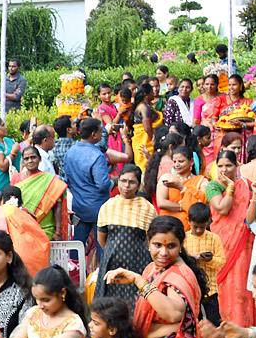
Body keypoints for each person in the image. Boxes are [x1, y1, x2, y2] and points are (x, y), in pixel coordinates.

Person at [207, 149, 256, 327]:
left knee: (243, 278)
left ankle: (245, 325)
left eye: (228, 165)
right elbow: (222, 208)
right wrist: (230, 186)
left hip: (243, 241)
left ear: (237, 166)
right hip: (222, 241)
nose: (224, 169)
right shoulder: (213, 186)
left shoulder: (246, 185)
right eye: (220, 166)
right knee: (224, 281)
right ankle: (225, 324)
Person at [95, 165, 157, 301]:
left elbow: (152, 239)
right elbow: (102, 238)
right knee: (110, 304)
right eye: (123, 181)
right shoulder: (108, 206)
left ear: (138, 185)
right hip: (111, 263)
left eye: (132, 182)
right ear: (118, 182)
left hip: (138, 263)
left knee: (135, 302)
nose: (126, 186)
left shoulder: (147, 209)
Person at [66, 118, 117, 262]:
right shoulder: (97, 155)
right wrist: (113, 182)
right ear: (94, 134)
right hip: (98, 208)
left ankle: (74, 274)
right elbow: (102, 183)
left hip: (79, 206)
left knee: (77, 245)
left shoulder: (70, 153)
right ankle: (102, 278)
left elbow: (68, 181)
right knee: (102, 244)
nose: (102, 134)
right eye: (101, 131)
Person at [13, 146, 69, 240]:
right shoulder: (16, 179)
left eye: (33, 157)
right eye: (26, 159)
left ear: (39, 159)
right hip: (23, 230)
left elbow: (57, 205)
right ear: (23, 161)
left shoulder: (49, 180)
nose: (30, 161)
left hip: (46, 230)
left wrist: (58, 232)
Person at [185, 202, 225, 323]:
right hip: (190, 287)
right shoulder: (183, 238)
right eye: (195, 226)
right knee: (195, 320)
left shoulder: (214, 238)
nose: (198, 230)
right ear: (188, 221)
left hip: (210, 288)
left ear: (208, 222)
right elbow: (179, 260)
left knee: (214, 320)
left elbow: (221, 261)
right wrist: (191, 259)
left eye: (202, 227)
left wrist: (210, 259)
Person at [157, 145, 209, 230]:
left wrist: (182, 188)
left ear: (191, 162)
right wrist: (183, 206)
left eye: (181, 161)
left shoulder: (202, 181)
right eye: (174, 162)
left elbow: (199, 208)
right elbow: (161, 203)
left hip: (192, 232)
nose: (177, 165)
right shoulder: (166, 177)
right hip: (167, 227)